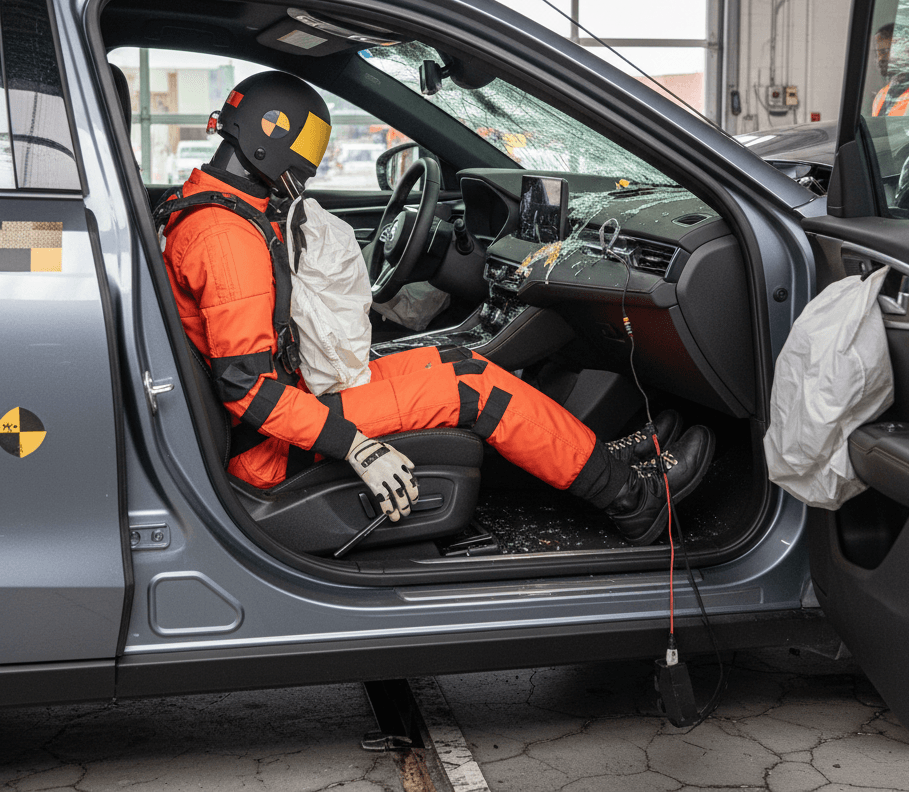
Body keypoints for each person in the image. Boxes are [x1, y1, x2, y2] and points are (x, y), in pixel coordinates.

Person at [160, 71, 715, 547]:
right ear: (267, 136)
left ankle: (598, 456)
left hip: (292, 403)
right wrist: (354, 445)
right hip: (272, 450)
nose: (308, 166)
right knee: (476, 390)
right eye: (306, 147)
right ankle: (632, 497)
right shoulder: (223, 238)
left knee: (450, 359)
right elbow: (248, 389)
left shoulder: (218, 206)